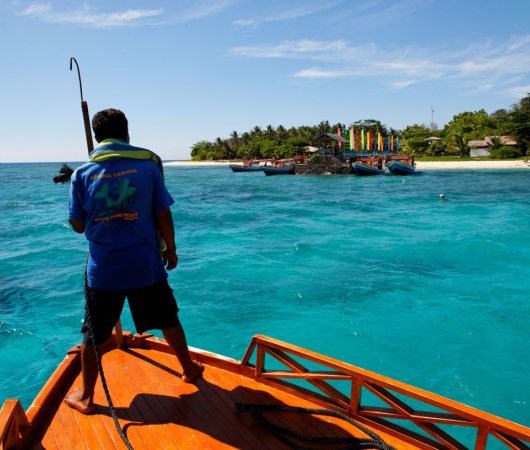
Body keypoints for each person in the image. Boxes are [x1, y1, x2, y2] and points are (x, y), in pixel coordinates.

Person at [65, 108, 203, 414]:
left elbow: (77, 225)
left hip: (103, 270)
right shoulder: (148, 168)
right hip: (146, 264)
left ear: (97, 137)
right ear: (126, 133)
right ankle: (188, 369)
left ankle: (87, 397)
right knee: (168, 317)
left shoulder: (81, 174)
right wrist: (172, 249)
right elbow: (163, 213)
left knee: (93, 333)